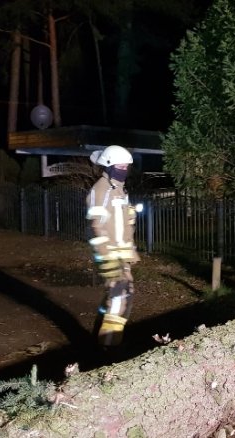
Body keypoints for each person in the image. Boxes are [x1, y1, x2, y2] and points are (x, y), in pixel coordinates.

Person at [86, 145, 140, 348]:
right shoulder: (101, 190)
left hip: (120, 255)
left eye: (127, 166)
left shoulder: (119, 190)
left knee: (123, 295)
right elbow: (96, 228)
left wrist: (129, 254)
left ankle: (104, 340)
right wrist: (107, 259)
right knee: (118, 298)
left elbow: (124, 226)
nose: (124, 169)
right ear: (108, 166)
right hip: (109, 256)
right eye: (120, 166)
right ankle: (106, 349)